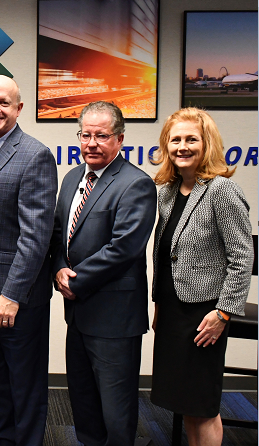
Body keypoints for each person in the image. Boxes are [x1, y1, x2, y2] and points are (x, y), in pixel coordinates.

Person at [51, 101, 157, 446]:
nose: (91, 143)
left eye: (102, 135)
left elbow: (124, 248)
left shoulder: (135, 184)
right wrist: (58, 268)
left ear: (120, 139)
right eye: (85, 135)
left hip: (114, 316)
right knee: (82, 400)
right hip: (78, 312)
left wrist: (75, 279)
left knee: (116, 407)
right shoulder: (71, 178)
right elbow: (57, 234)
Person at [150, 108, 253, 446]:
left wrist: (224, 313)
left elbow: (242, 256)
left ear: (206, 144)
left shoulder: (222, 191)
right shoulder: (167, 191)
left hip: (205, 313)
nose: (182, 146)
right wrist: (159, 304)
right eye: (175, 139)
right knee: (185, 402)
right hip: (173, 311)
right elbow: (166, 255)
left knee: (203, 404)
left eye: (191, 139)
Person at [0, 74, 57, 446]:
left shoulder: (34, 155)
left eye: (4, 102)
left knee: (25, 387)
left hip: (17, 298)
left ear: (19, 108)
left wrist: (12, 294)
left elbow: (36, 237)